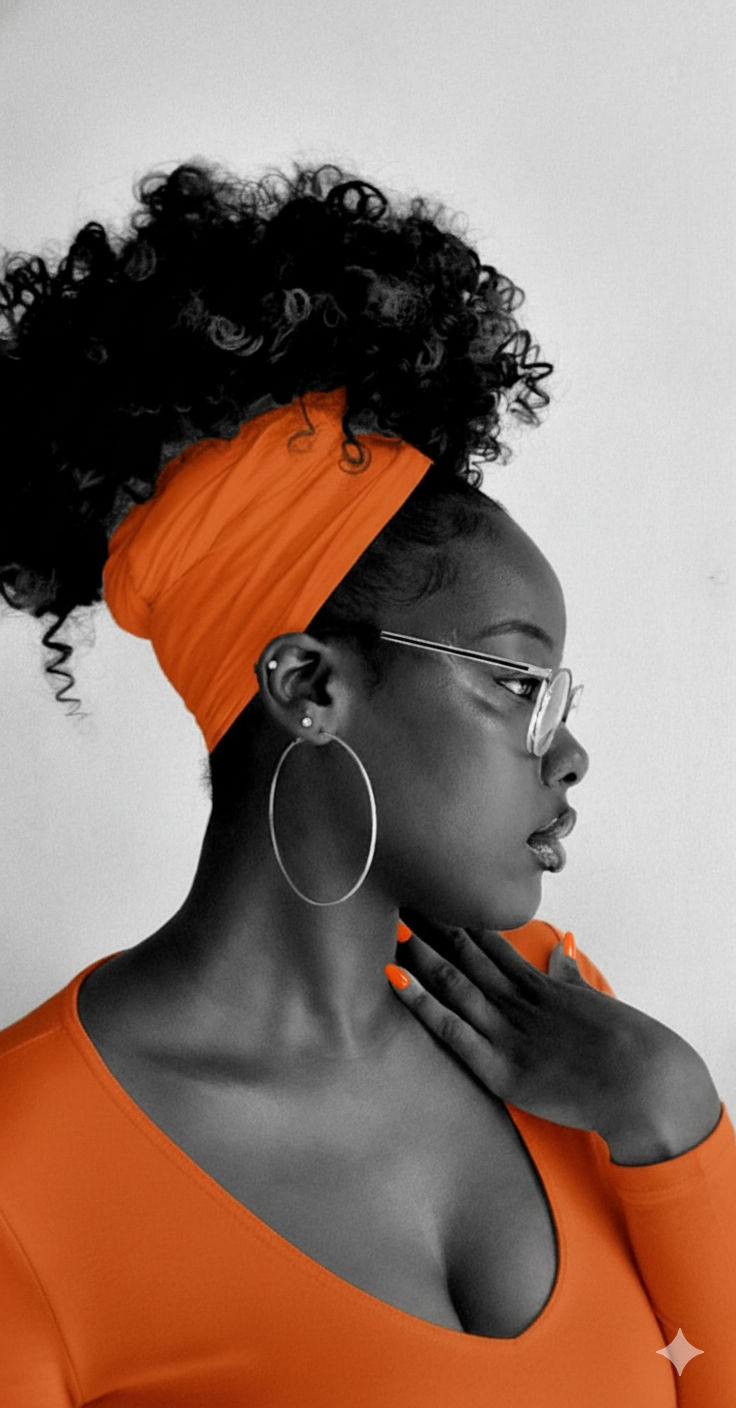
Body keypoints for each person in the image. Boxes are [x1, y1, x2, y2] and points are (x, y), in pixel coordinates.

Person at [0, 158, 733, 1407]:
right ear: (308, 685)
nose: (567, 751)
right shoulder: (25, 1173)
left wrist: (677, 1132)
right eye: (514, 683)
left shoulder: (566, 1025)